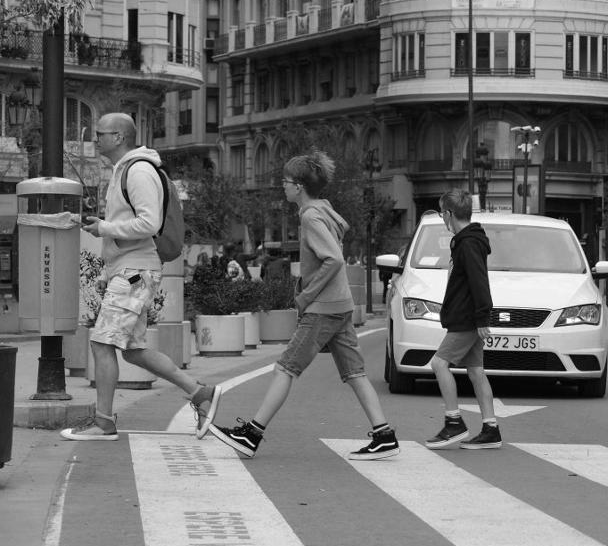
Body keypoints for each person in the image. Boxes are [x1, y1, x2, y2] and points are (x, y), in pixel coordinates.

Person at [207, 151, 398, 460]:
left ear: (298, 186)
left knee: (285, 368)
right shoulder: (323, 211)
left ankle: (251, 435)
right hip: (341, 305)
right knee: (355, 373)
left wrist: (306, 294)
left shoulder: (311, 217)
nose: (282, 186)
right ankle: (384, 435)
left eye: (285, 181)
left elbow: (333, 259)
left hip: (323, 308)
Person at [61, 112, 221, 441]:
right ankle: (200, 393)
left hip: (135, 272)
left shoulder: (138, 171)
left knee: (102, 342)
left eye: (101, 133)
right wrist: (108, 264)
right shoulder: (126, 170)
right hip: (131, 270)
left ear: (119, 137)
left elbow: (149, 224)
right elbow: (132, 226)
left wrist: (105, 228)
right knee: (132, 349)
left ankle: (104, 423)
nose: (96, 139)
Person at [423, 189, 503, 450]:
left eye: (441, 214)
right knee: (476, 371)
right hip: (470, 316)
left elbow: (479, 281)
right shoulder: (468, 240)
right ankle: (490, 429)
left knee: (439, 364)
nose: (442, 219)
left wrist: (482, 318)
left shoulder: (468, 243)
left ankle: (453, 422)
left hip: (466, 318)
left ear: (449, 214)